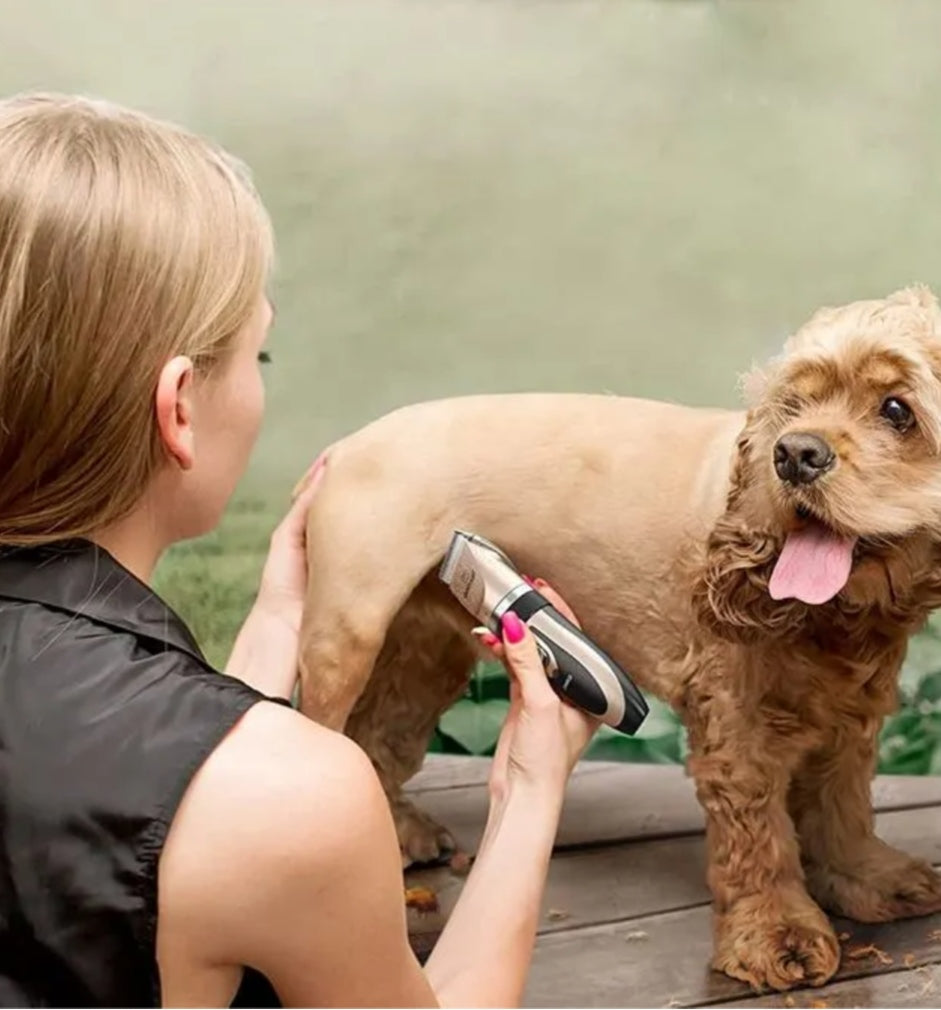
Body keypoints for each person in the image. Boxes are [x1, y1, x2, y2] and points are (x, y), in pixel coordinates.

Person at [0, 92, 602, 1008]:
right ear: (179, 408)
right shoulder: (291, 804)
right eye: (258, 356)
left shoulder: (235, 786)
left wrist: (279, 618)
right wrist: (531, 786)